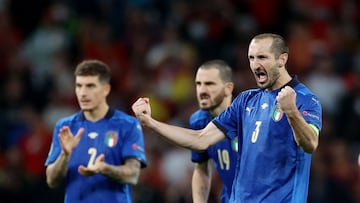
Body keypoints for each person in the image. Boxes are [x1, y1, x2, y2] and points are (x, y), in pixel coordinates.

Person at [132, 33, 322, 203]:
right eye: (251, 58)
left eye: (262, 57)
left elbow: (310, 143)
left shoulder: (305, 99)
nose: (255, 65)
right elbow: (200, 139)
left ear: (282, 59)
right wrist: (151, 123)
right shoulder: (246, 100)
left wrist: (291, 111)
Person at [45, 59, 147, 203]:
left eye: (90, 86)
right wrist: (65, 155)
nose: (83, 93)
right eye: (79, 86)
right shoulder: (66, 127)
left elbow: (133, 175)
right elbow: (51, 180)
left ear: (106, 89)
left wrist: (104, 169)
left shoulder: (127, 125)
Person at [190, 59, 237, 203]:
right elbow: (201, 167)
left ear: (228, 88)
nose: (202, 90)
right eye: (199, 84)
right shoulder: (198, 121)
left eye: (209, 84)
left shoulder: (248, 117)